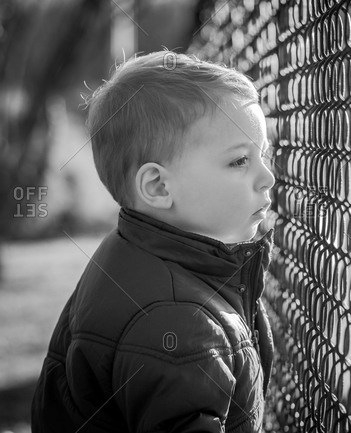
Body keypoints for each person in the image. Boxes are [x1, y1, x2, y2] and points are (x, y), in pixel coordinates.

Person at [31, 51, 277, 433]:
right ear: (158, 186)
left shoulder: (127, 250)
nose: (268, 178)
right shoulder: (179, 326)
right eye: (239, 161)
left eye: (262, 155)